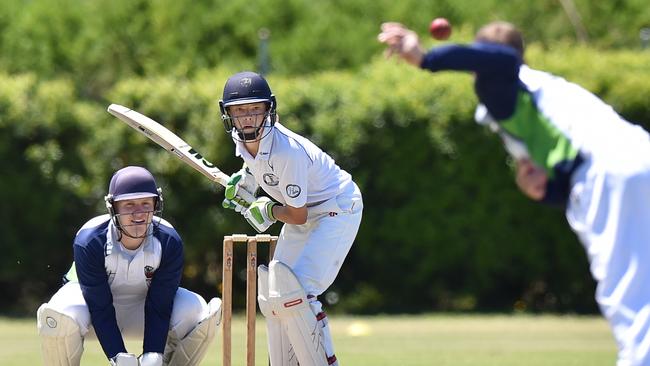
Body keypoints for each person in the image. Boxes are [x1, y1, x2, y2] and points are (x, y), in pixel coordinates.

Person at [378, 21, 650, 365]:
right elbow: (553, 178)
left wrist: (425, 59)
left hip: (608, 174)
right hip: (640, 154)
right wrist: (540, 187)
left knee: (627, 296)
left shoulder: (505, 82)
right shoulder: (549, 91)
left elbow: (499, 61)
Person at [218, 71, 363, 366]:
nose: (247, 118)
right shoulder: (241, 139)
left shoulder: (287, 151)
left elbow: (296, 215)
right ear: (229, 114)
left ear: (268, 110)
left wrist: (267, 210)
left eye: (255, 109)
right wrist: (247, 182)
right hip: (306, 210)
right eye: (240, 110)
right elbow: (261, 169)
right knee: (273, 296)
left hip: (336, 208)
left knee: (299, 295)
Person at [36, 166, 221, 366]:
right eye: (129, 205)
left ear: (156, 204)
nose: (138, 213)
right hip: (90, 313)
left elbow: (161, 304)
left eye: (145, 203)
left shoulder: (169, 240)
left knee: (197, 312)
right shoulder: (90, 240)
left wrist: (153, 355)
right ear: (112, 207)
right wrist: (118, 356)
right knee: (61, 312)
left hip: (143, 311)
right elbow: (99, 305)